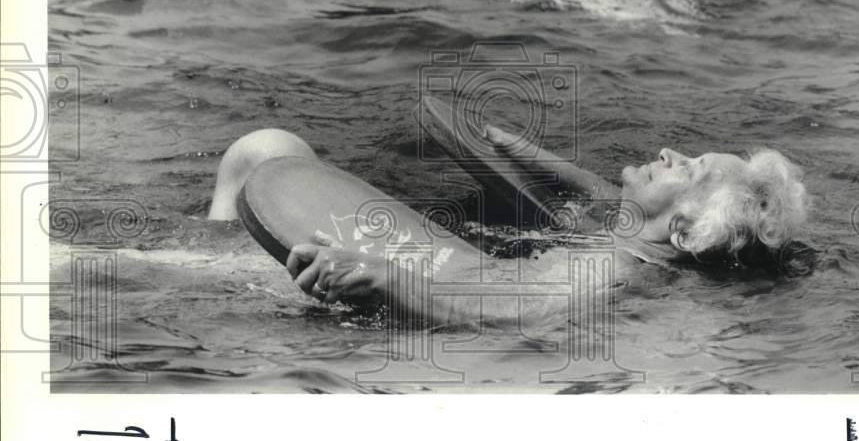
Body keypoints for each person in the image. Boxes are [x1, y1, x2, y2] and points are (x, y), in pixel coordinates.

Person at [207, 124, 809, 322]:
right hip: (441, 269)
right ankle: (215, 246)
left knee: (264, 148)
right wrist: (516, 152)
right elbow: (606, 197)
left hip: (409, 292)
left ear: (683, 230)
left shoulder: (606, 276)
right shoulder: (639, 239)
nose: (673, 154)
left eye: (692, 169)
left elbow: (500, 314)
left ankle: (190, 263)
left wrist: (375, 274)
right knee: (261, 154)